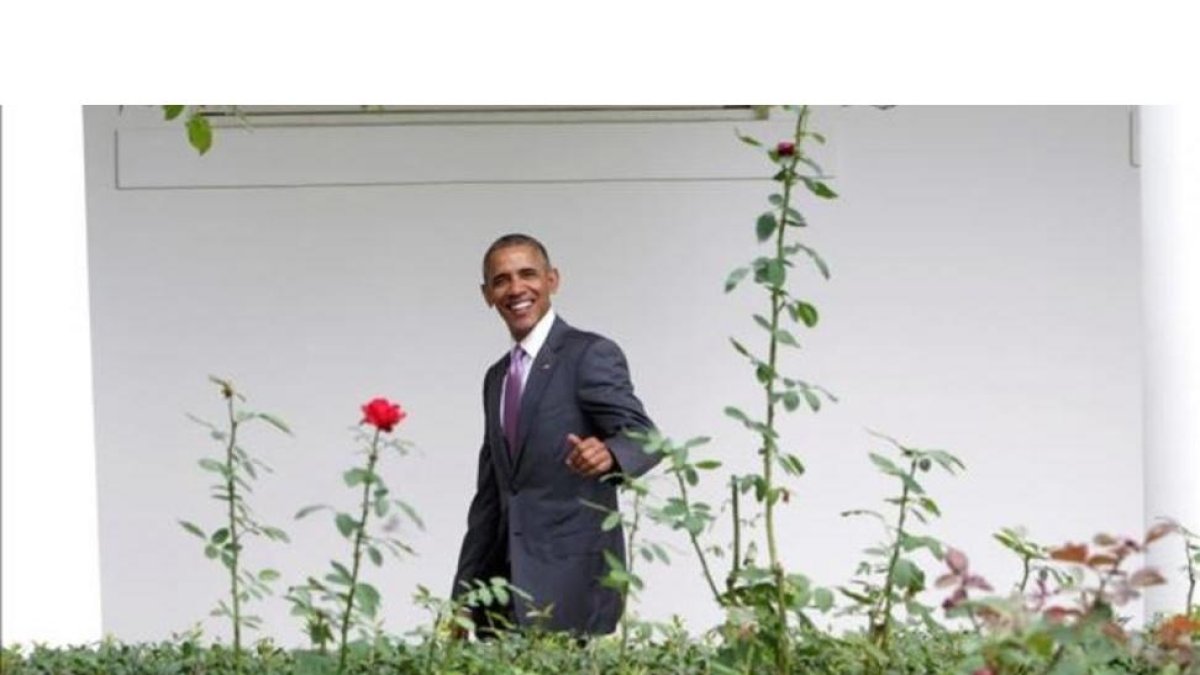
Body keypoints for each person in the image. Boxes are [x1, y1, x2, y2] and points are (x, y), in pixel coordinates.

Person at [450, 233, 659, 638]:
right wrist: (463, 597)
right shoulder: (497, 378)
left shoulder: (588, 354)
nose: (516, 289)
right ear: (487, 294)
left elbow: (645, 438)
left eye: (527, 274)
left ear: (552, 280)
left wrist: (610, 453)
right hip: (502, 596)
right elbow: (491, 497)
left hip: (570, 589)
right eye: (501, 280)